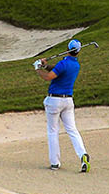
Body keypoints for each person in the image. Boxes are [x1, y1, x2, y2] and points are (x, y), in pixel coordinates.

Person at [33, 39, 90, 173]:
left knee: (53, 131)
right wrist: (45, 65)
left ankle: (55, 163)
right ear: (78, 51)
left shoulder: (63, 63)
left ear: (68, 48)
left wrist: (37, 68)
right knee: (72, 130)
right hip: (68, 101)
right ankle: (83, 155)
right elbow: (57, 70)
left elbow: (48, 77)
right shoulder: (75, 65)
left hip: (54, 101)